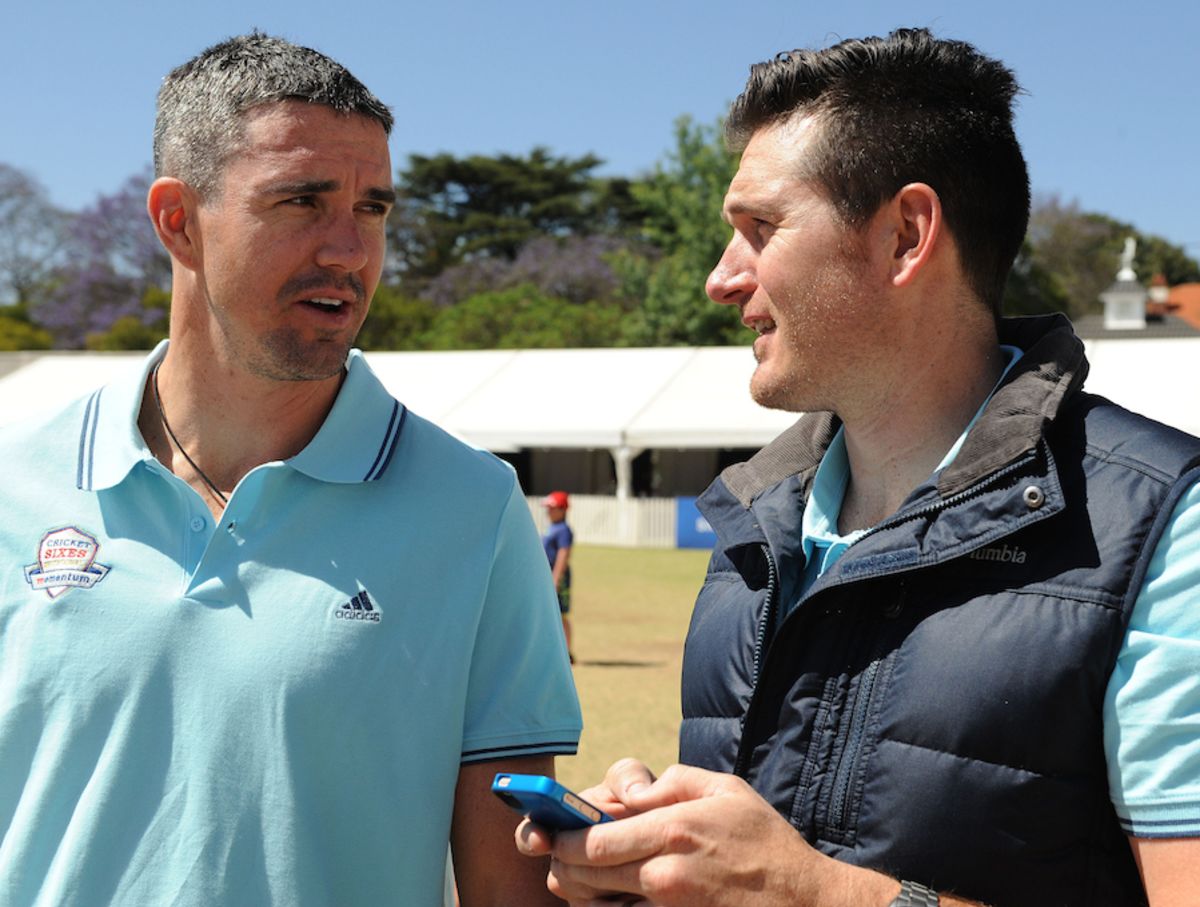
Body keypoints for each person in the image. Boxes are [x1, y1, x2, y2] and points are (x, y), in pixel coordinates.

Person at [517, 27, 1200, 907]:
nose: (722, 279)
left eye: (760, 229)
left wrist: (815, 894)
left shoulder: (1159, 529)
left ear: (906, 236)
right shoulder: (752, 528)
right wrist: (660, 864)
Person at [0, 33, 580, 906]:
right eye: (303, 201)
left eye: (374, 207)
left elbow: (511, 890)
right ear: (178, 221)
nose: (350, 248)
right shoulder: (15, 483)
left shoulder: (474, 508)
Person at [541, 490, 575, 661]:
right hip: (547, 576)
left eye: (551, 508)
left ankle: (567, 652)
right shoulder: (551, 528)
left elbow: (563, 554)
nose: (548, 512)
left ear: (562, 510)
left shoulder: (563, 530)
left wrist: (556, 578)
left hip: (558, 578)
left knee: (560, 614)